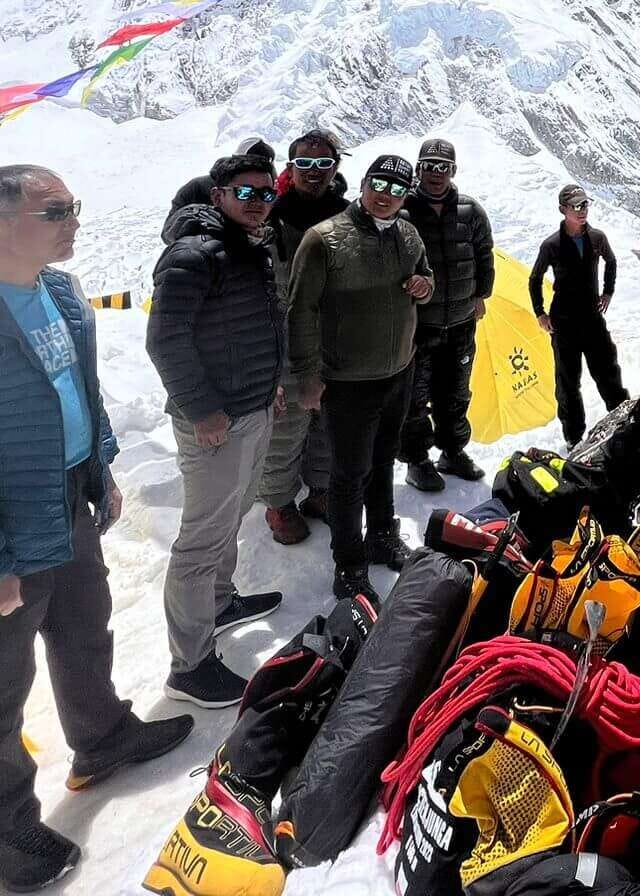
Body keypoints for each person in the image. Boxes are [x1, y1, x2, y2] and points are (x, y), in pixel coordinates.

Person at [0, 166, 191, 891]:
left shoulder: (56, 294)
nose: (72, 220)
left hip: (63, 506)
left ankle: (102, 737)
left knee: (87, 631)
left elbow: (77, 394)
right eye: (55, 211)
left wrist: (100, 469)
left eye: (72, 206)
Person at [148, 152, 287, 707]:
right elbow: (165, 340)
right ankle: (190, 665)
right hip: (216, 421)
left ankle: (221, 601)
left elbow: (256, 325)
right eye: (246, 193)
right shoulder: (192, 255)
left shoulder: (250, 245)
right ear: (219, 195)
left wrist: (270, 383)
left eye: (265, 193)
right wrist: (202, 408)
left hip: (251, 407)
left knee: (231, 514)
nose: (258, 203)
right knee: (201, 538)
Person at [287, 153, 434, 601]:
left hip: (397, 371)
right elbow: (300, 313)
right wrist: (307, 377)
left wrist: (425, 286)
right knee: (349, 474)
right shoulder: (324, 240)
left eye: (396, 189)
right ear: (363, 183)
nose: (385, 197)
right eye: (379, 185)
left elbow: (425, 276)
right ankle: (349, 564)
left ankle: (382, 536)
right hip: (347, 380)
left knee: (384, 460)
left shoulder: (408, 233)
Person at [256, 128, 348, 545]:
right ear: (290, 168)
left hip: (333, 339)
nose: (313, 171)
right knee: (285, 426)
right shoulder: (266, 217)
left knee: (327, 422)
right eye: (304, 164)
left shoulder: (350, 218)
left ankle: (321, 490)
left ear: (335, 168)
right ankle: (278, 502)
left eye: (322, 164)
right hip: (281, 339)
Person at [398, 137, 495, 490]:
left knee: (456, 393)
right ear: (418, 168)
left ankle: (452, 452)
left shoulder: (470, 210)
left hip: (460, 321)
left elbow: (484, 253)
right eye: (429, 166)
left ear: (454, 170)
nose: (436, 173)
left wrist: (481, 294)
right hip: (418, 325)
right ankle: (417, 460)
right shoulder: (402, 210)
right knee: (414, 396)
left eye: (444, 167)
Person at [527, 183, 624, 447]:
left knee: (608, 371)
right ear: (563, 210)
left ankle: (622, 421)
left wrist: (608, 292)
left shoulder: (597, 238)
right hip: (564, 322)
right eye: (576, 206)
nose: (582, 211)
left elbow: (611, 261)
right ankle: (573, 438)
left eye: (585, 205)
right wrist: (540, 313)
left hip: (592, 317)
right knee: (568, 383)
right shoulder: (552, 244)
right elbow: (535, 279)